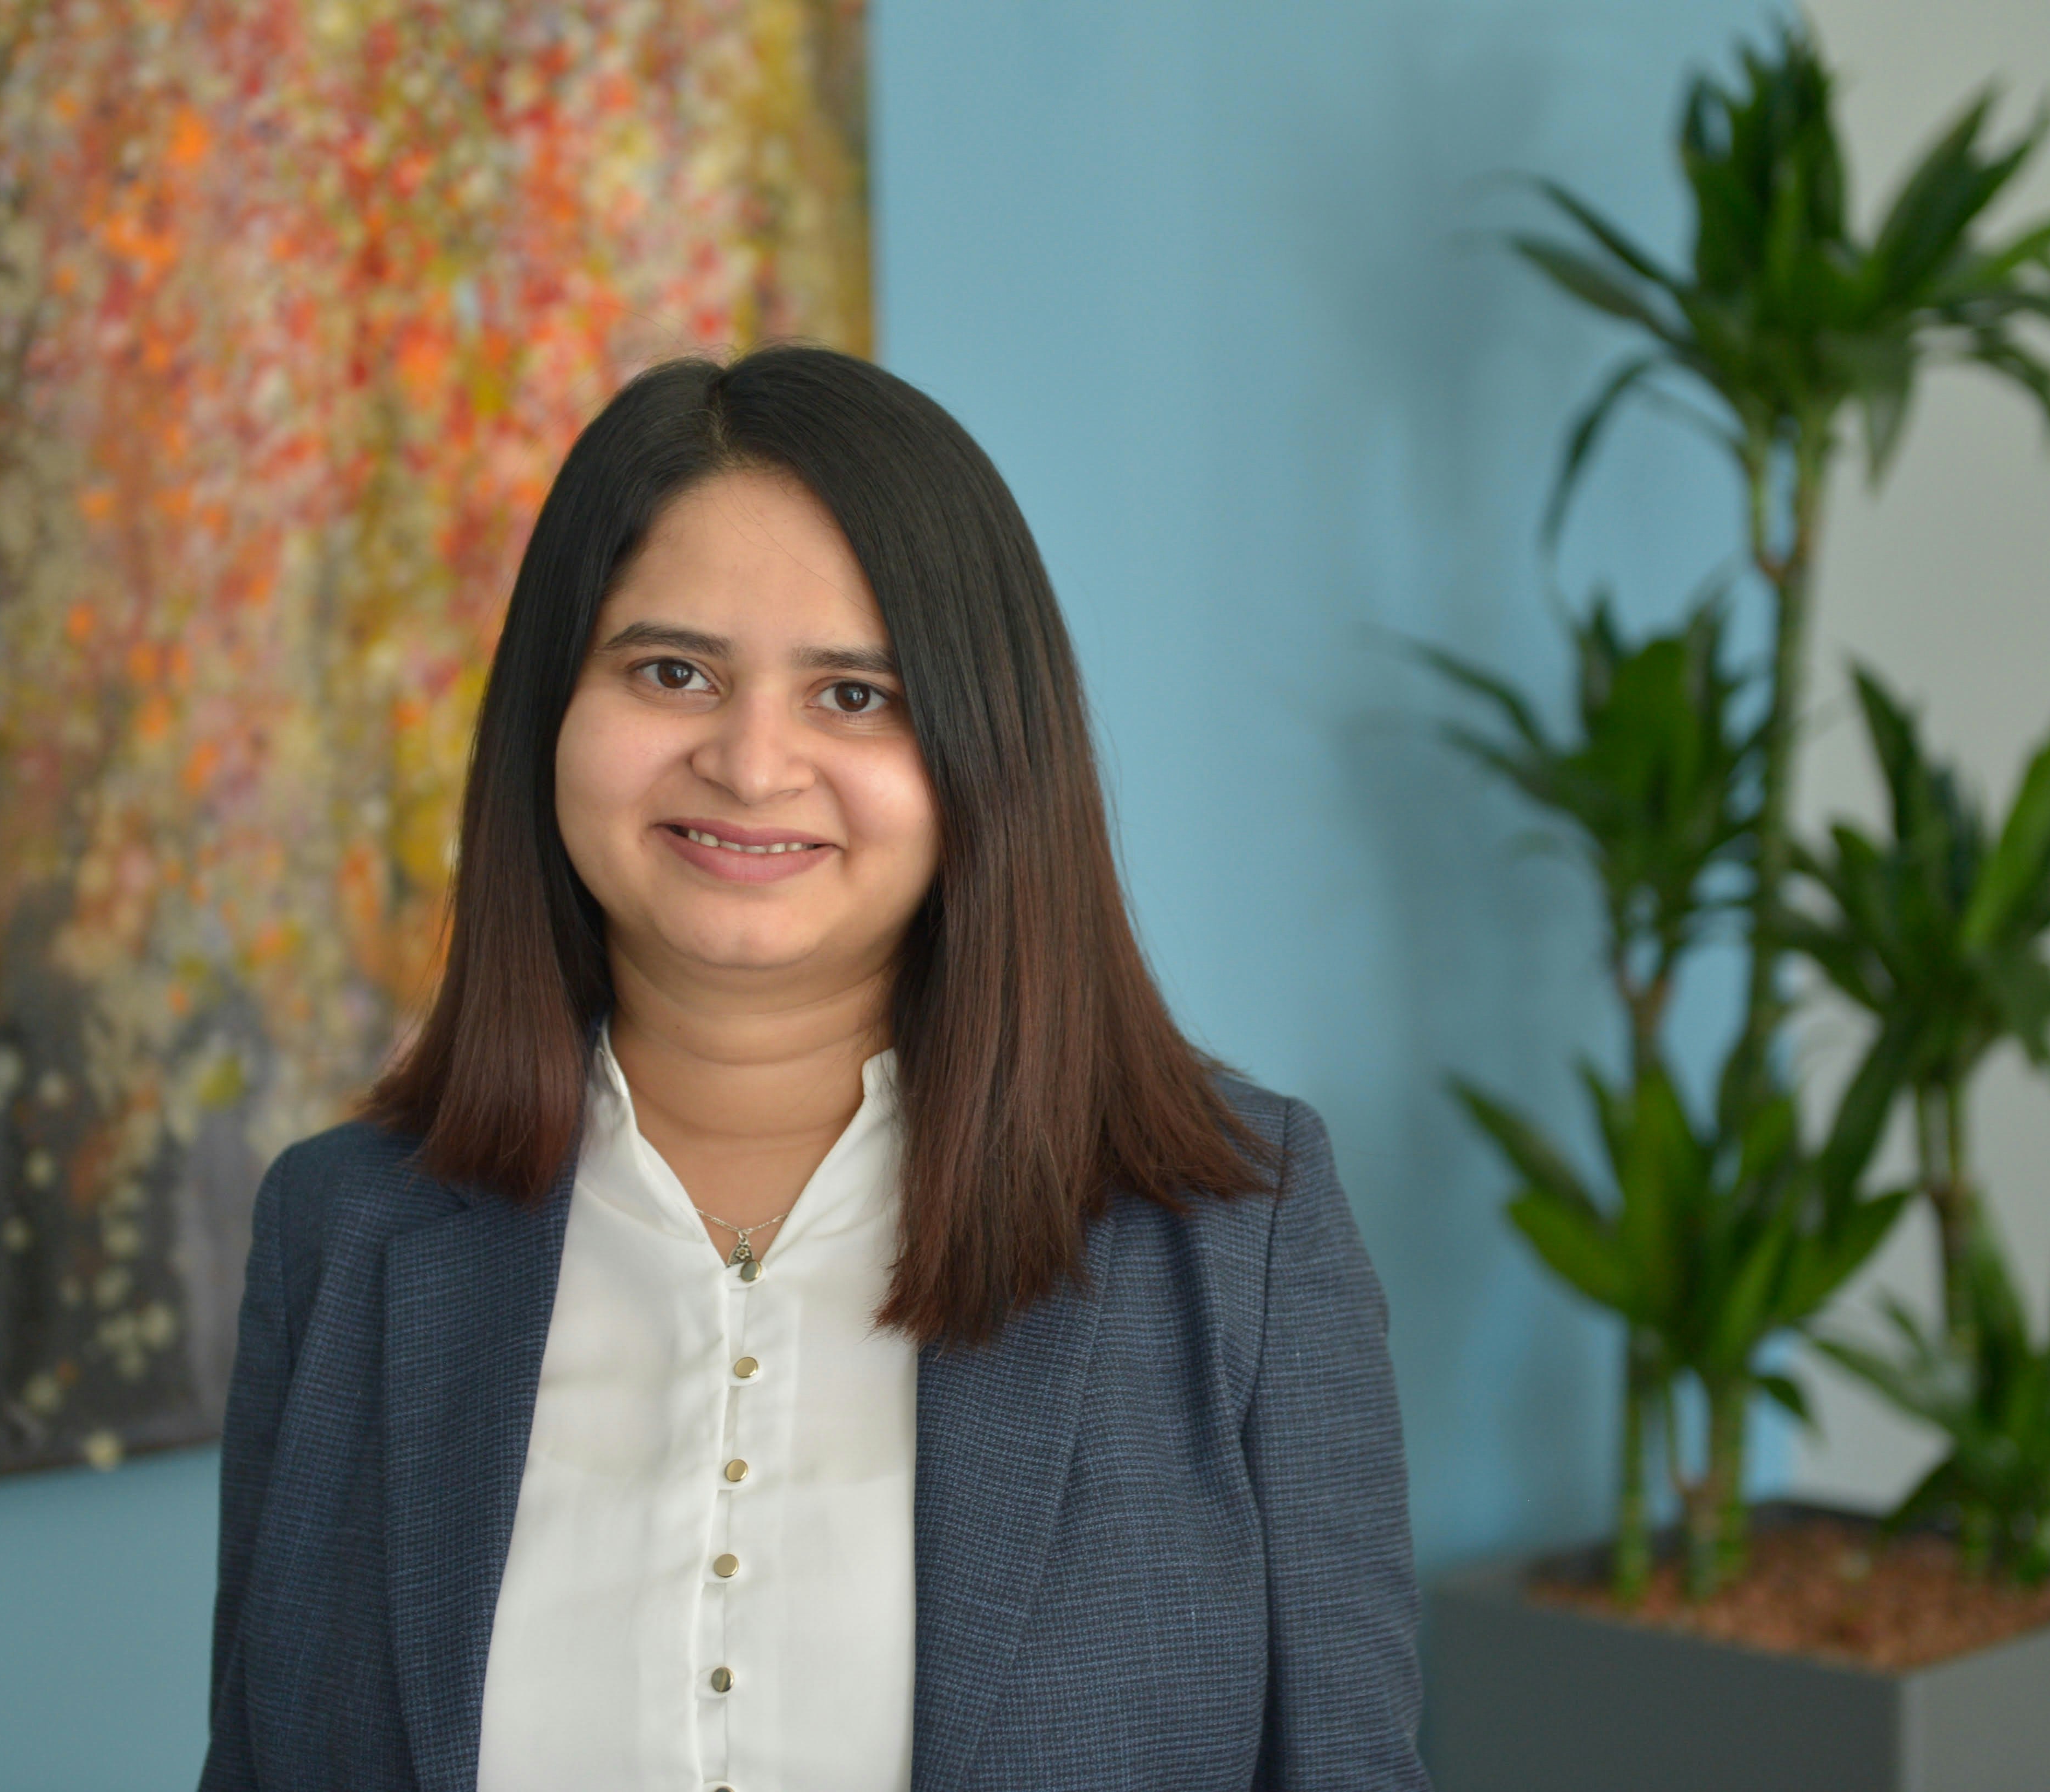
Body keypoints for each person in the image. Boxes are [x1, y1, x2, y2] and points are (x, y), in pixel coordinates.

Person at [198, 345, 1427, 1791]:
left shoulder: (1239, 1236)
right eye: (673, 671)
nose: (752, 762)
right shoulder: (344, 1234)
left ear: (986, 748)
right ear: (553, 711)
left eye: (854, 696)